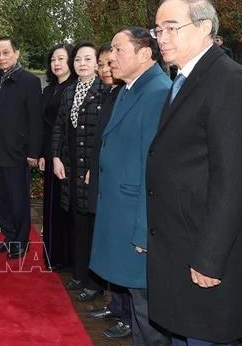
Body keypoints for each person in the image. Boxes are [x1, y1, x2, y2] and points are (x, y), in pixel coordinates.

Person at [147, 0, 242, 346]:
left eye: (171, 27)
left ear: (205, 28)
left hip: (204, 252)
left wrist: (211, 258)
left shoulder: (230, 81)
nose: (162, 37)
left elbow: (234, 181)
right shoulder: (184, 79)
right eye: (157, 29)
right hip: (179, 245)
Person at [89, 27, 171, 346]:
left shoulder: (157, 92)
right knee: (139, 311)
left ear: (145, 54)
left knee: (148, 312)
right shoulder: (130, 89)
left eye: (119, 50)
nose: (111, 57)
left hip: (137, 221)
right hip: (122, 213)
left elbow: (155, 172)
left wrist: (143, 231)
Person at [52, 41, 106, 303]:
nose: (81, 64)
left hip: (90, 168)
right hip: (70, 165)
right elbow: (60, 128)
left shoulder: (105, 91)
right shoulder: (69, 91)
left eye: (87, 59)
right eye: (78, 60)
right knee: (76, 219)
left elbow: (106, 135)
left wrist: (96, 167)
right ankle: (79, 273)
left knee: (92, 224)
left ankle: (94, 283)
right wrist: (55, 157)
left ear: (97, 63)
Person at [85, 44, 132, 341]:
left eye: (107, 63)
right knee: (109, 242)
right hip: (103, 177)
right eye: (101, 64)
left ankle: (127, 315)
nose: (104, 69)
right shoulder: (112, 94)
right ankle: (114, 305)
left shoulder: (127, 94)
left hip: (121, 185)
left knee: (122, 248)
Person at [0, 37, 42, 259]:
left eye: (6, 53)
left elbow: (35, 120)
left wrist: (33, 152)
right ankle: (8, 237)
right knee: (0, 201)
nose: (1, 57)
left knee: (18, 200)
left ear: (16, 53)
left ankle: (21, 241)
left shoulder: (29, 81)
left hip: (18, 153)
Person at [38, 43, 75, 269]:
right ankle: (52, 255)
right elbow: (45, 126)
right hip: (51, 154)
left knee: (65, 208)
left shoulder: (74, 88)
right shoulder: (49, 89)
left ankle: (66, 257)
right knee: (51, 206)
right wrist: (44, 153)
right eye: (53, 60)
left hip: (68, 156)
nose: (57, 64)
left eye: (61, 59)